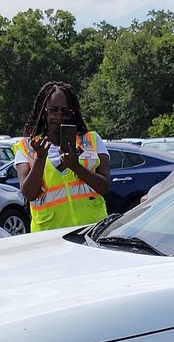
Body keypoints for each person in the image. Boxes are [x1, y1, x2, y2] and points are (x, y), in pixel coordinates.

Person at [13, 81, 111, 232]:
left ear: (73, 113)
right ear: (44, 111)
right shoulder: (28, 146)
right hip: (50, 235)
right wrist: (40, 158)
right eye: (53, 110)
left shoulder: (91, 140)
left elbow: (104, 187)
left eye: (65, 112)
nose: (59, 116)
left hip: (91, 230)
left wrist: (76, 167)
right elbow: (29, 193)